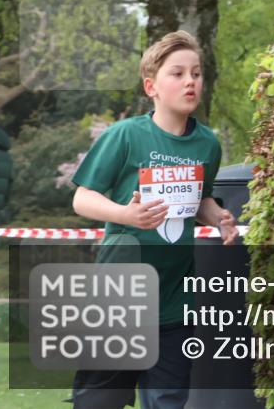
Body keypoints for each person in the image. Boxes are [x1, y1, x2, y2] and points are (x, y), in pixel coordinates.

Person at [69, 30, 238, 409]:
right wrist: (124, 214)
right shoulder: (126, 135)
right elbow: (82, 197)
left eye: (196, 73)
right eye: (177, 74)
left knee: (167, 402)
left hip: (175, 302)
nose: (190, 81)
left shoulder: (207, 144)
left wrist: (218, 215)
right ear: (152, 87)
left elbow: (198, 199)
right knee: (98, 403)